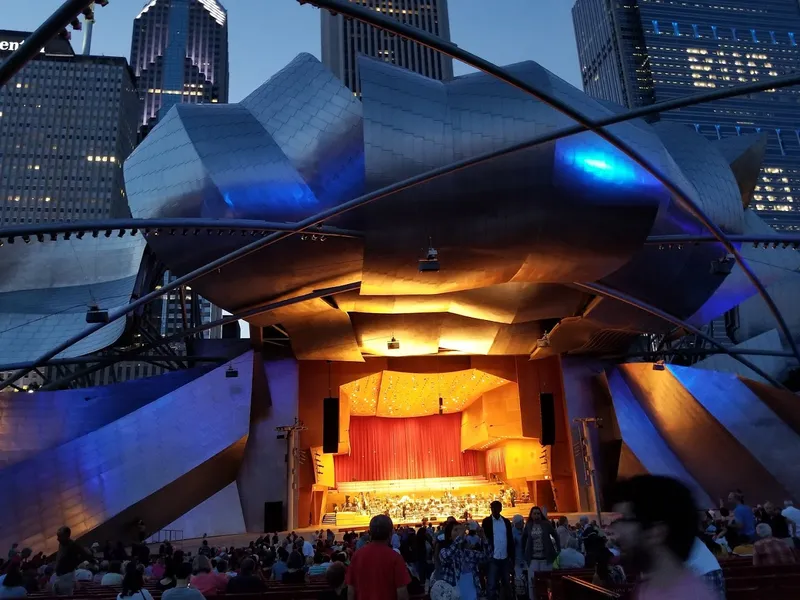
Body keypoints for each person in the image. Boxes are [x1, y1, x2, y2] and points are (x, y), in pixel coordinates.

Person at [612, 475, 715, 600]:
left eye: (624, 520)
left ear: (656, 532)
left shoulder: (685, 596)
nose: (617, 531)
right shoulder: (651, 586)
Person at [345, 515, 410, 600]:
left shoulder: (357, 556)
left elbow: (350, 591)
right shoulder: (396, 558)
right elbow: (402, 594)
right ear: (390, 534)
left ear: (370, 533)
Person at [523, 506, 560, 600]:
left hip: (545, 558)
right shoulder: (528, 525)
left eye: (538, 513)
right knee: (532, 582)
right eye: (534, 513)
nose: (536, 515)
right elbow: (523, 538)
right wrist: (525, 550)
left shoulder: (546, 524)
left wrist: (558, 549)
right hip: (533, 558)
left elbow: (555, 534)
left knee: (547, 581)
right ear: (531, 515)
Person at [482, 500, 514, 600]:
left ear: (500, 509)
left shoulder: (506, 522)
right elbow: (484, 538)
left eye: (496, 508)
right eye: (492, 508)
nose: (494, 510)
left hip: (504, 557)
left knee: (506, 583)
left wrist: (511, 556)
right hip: (493, 557)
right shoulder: (486, 522)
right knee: (491, 584)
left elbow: (509, 538)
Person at [53, 526, 92, 596]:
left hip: (67, 577)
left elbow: (86, 555)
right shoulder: (62, 544)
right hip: (59, 576)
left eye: (59, 536)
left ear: (66, 536)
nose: (57, 539)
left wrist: (74, 563)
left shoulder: (73, 545)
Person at [511, 515, 528, 597]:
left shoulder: (524, 531)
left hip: (526, 560)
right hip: (518, 561)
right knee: (520, 583)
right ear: (517, 523)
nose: (523, 523)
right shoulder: (513, 533)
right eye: (521, 522)